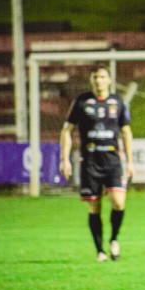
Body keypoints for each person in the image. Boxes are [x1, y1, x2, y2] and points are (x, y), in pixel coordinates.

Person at [60, 64, 134, 261]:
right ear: (91, 80)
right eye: (95, 77)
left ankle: (114, 240)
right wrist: (64, 159)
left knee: (118, 203)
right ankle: (100, 250)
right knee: (94, 207)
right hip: (90, 161)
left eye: (102, 77)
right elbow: (66, 130)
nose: (99, 81)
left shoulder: (118, 102)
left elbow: (126, 133)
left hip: (112, 160)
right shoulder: (82, 102)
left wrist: (131, 162)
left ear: (109, 80)